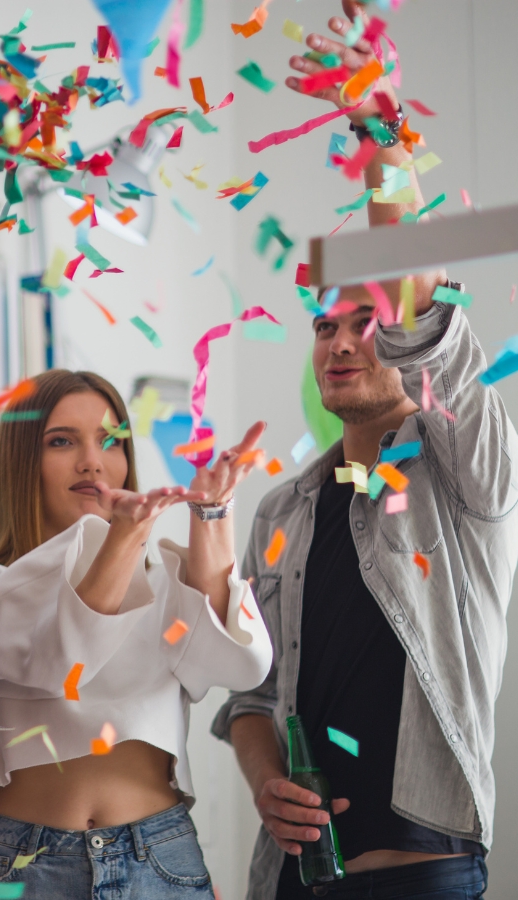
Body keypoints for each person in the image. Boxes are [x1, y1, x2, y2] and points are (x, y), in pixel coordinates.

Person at [211, 5, 513, 898]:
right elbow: (251, 696)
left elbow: (417, 308)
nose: (341, 342)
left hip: (428, 868)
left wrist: (380, 133)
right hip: (297, 877)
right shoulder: (281, 510)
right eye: (324, 328)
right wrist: (263, 778)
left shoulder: (466, 476)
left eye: (365, 323)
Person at [0, 369, 273, 899]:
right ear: (22, 461)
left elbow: (239, 664)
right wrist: (123, 539)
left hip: (160, 857)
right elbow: (62, 662)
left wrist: (212, 511)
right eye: (62, 441)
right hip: (21, 868)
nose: (92, 459)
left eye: (110, 441)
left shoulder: (160, 582)